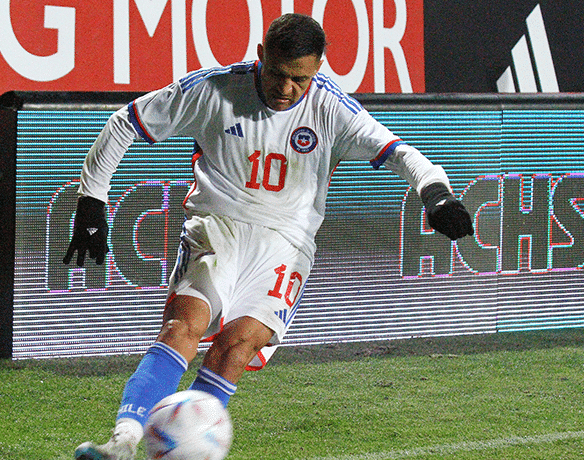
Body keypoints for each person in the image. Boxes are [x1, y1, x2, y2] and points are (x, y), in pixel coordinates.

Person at [64, 13, 473, 460]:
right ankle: (123, 443)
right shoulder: (213, 89)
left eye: (300, 79)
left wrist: (438, 197)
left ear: (318, 68)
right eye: (277, 74)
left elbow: (403, 154)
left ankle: (182, 450)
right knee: (185, 325)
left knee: (237, 345)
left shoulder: (332, 108)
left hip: (287, 242)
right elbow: (127, 121)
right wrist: (92, 200)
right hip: (217, 225)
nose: (286, 88)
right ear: (261, 56)